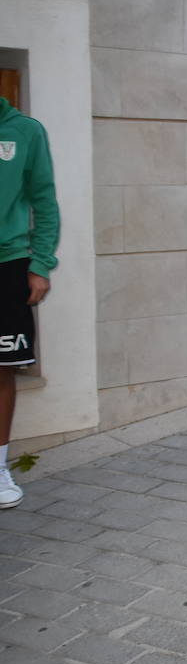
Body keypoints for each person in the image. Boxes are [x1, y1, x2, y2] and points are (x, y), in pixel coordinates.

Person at [0, 96, 59, 509]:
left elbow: (44, 200)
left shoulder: (25, 131)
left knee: (1, 371)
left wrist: (40, 263)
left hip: (8, 265)